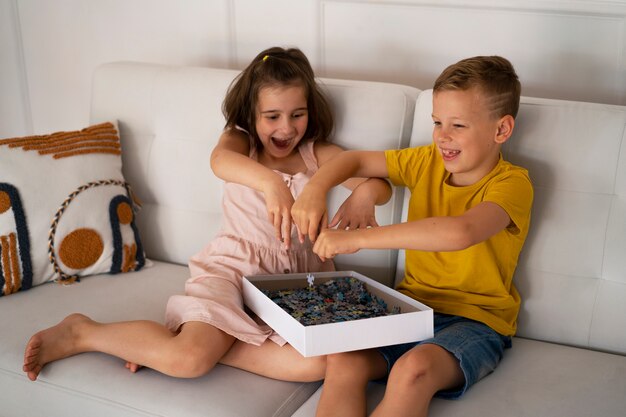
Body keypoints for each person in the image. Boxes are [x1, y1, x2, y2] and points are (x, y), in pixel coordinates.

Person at [22, 46, 392, 383]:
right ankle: (83, 331)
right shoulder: (241, 143)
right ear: (252, 114)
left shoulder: (318, 154)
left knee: (316, 365)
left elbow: (380, 183)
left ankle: (168, 344)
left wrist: (364, 194)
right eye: (272, 116)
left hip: (293, 287)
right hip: (232, 271)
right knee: (189, 361)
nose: (286, 127)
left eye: (297, 114)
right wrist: (271, 184)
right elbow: (219, 162)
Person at [291, 55, 533, 417]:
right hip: (410, 309)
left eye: (458, 125)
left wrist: (357, 239)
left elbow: (460, 232)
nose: (442, 136)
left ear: (501, 130)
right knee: (343, 360)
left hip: (477, 321)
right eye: (437, 122)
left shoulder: (512, 183)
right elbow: (354, 161)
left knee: (411, 370)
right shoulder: (425, 161)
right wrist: (316, 189)